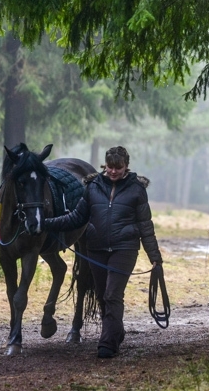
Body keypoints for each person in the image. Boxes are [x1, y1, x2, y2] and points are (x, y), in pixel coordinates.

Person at [43, 146, 162, 359]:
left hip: (124, 249)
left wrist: (155, 257)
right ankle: (116, 331)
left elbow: (146, 225)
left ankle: (107, 343)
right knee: (101, 296)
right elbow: (77, 217)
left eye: (119, 167)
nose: (114, 171)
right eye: (110, 167)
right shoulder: (92, 187)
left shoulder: (136, 189)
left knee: (112, 294)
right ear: (104, 165)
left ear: (126, 167)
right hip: (96, 249)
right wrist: (46, 223)